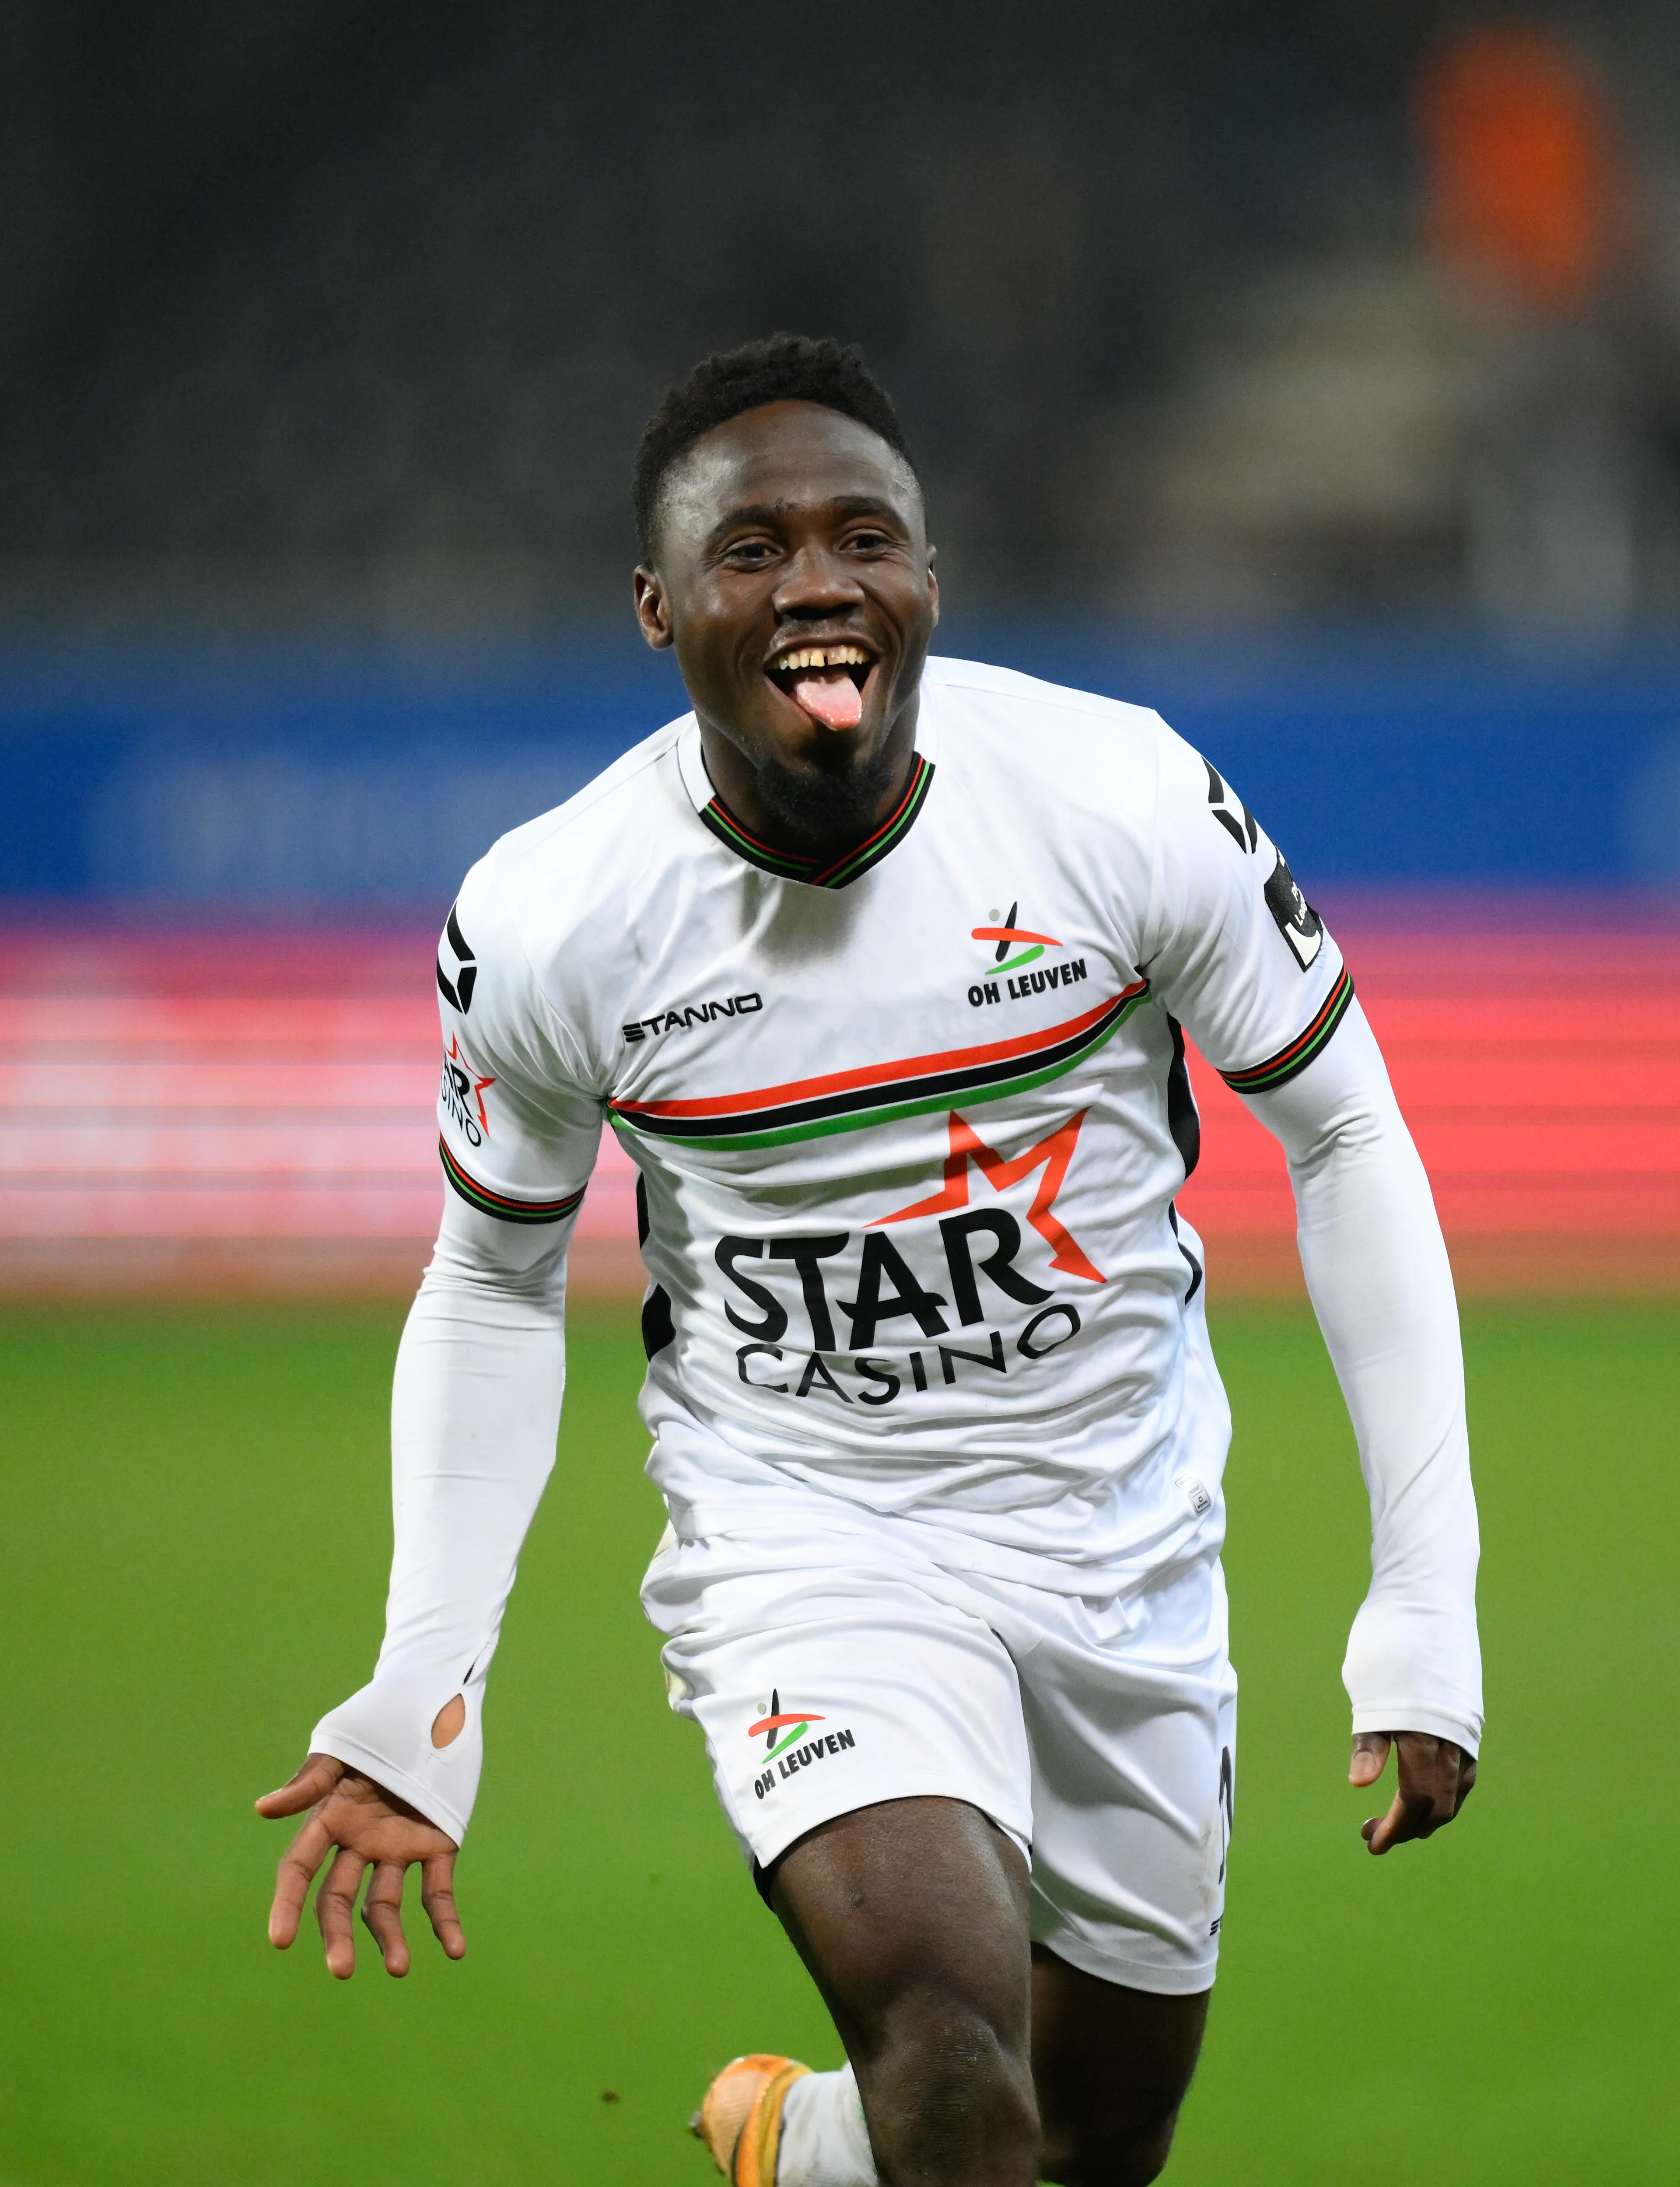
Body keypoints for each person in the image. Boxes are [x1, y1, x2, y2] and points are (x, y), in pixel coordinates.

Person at [256, 334, 1481, 2187]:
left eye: (865, 536)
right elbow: (494, 1282)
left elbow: (1351, 1134)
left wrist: (1425, 1588)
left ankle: (802, 2151)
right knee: (944, 2025)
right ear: (659, 608)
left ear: (927, 578)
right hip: (807, 1541)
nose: (819, 581)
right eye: (753, 548)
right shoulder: (558, 916)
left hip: (1123, 1536)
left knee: (1086, 2135)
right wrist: (431, 1676)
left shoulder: (1116, 798)